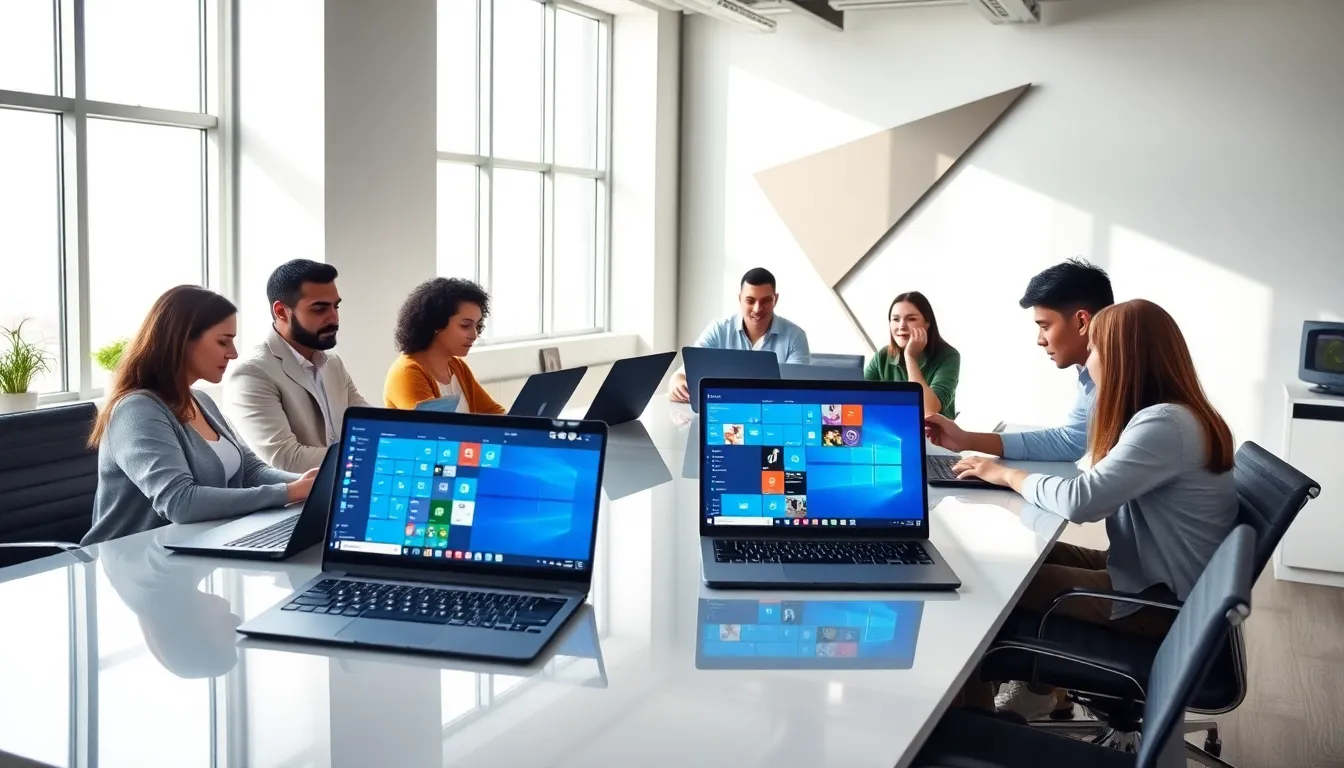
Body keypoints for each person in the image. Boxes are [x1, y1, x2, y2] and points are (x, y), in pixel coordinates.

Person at [950, 299, 1237, 717]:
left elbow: (1080, 501)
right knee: (1016, 561)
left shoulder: (1164, 425)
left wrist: (1005, 475)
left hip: (1158, 604)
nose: (1089, 361)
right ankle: (1044, 693)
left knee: (992, 589)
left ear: (1125, 357)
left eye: (1096, 349)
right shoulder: (1175, 415)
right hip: (1152, 577)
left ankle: (978, 731)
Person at [83, 286, 316, 546]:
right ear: (182, 339)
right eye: (222, 341)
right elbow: (180, 502)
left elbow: (251, 471)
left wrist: (313, 484)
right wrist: (288, 493)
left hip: (190, 550)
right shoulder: (137, 410)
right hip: (130, 562)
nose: (233, 353)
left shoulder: (201, 401)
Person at [925, 259, 1113, 461]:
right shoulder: (1090, 376)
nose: (1040, 340)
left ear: (1082, 322)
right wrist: (966, 440)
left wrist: (1007, 477)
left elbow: (1087, 491)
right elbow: (1071, 442)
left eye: (1045, 326)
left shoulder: (1130, 383)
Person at [226, 259, 369, 473]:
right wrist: (372, 452)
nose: (334, 318)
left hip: (343, 489)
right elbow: (286, 459)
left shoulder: (333, 364)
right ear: (282, 311)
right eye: (319, 309)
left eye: (335, 306)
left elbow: (368, 425)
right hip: (294, 503)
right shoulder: (252, 373)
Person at [669, 267, 810, 403]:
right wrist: (677, 382)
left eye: (766, 301)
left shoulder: (795, 337)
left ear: (775, 299)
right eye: (750, 301)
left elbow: (797, 391)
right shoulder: (718, 330)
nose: (757, 308)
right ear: (740, 299)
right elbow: (684, 374)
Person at [383, 277, 506, 414]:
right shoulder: (407, 372)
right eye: (465, 325)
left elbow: (492, 412)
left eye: (477, 326)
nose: (474, 334)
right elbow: (434, 431)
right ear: (437, 323)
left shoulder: (457, 366)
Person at [864, 291, 960, 418]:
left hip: (933, 435)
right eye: (895, 319)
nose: (902, 326)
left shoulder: (949, 356)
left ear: (928, 323)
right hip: (894, 430)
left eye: (911, 319)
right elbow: (860, 400)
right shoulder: (882, 357)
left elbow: (928, 410)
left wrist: (910, 357)